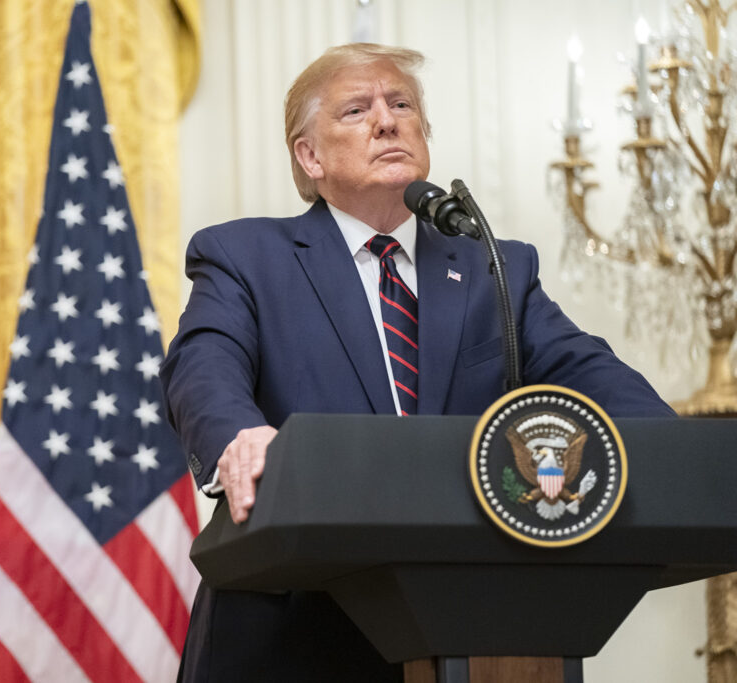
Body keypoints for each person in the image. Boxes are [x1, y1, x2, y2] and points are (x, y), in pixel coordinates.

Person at [160, 43, 675, 682]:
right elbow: (203, 363)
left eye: (401, 104)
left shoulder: (495, 267)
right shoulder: (245, 256)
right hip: (291, 633)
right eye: (357, 109)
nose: (387, 120)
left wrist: (672, 454)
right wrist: (237, 437)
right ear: (310, 155)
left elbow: (596, 377)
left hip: (473, 633)